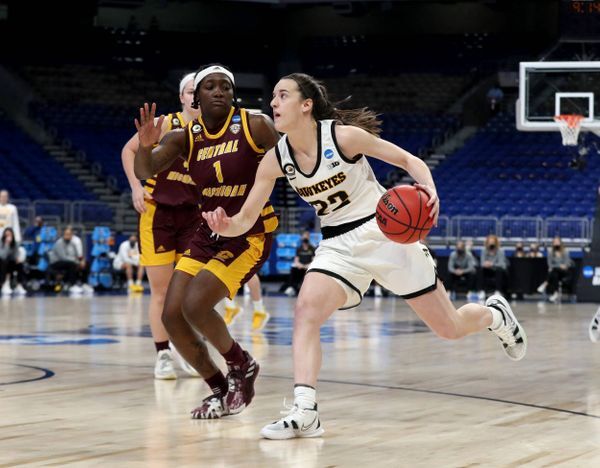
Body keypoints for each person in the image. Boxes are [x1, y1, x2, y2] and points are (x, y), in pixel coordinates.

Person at [202, 72, 528, 440]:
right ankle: (305, 410)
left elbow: (408, 160)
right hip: (337, 245)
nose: (273, 103)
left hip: (384, 232)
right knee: (306, 311)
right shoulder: (275, 160)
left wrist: (430, 191)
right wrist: (224, 224)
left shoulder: (343, 137)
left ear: (306, 105)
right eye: (273, 97)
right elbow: (244, 220)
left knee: (449, 328)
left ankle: (493, 314)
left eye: (283, 95)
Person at [133, 64, 280, 419]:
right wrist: (145, 145)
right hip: (208, 232)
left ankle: (241, 365)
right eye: (210, 87)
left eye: (225, 87)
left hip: (249, 233)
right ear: (196, 97)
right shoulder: (186, 135)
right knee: (172, 315)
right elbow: (145, 170)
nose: (219, 92)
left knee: (196, 305)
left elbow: (294, 159)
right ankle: (218, 387)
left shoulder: (254, 124)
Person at [122, 72, 201, 379]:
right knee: (162, 291)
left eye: (202, 91)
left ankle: (185, 350)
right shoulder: (166, 124)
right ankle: (163, 354)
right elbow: (129, 150)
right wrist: (136, 187)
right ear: (182, 96)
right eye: (191, 91)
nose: (196, 96)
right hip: (159, 214)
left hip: (192, 215)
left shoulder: (214, 132)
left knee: (187, 291)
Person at [477, 234, 509, 299]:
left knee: (499, 270)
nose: (491, 244)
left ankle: (498, 291)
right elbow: (482, 263)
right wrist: (485, 264)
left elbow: (502, 264)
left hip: (497, 270)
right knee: (480, 270)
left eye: (493, 242)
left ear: (496, 243)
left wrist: (492, 264)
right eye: (490, 242)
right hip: (487, 270)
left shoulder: (500, 251)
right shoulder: (484, 251)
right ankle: (481, 291)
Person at [546, 236, 575, 303]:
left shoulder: (565, 251)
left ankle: (546, 283)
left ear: (560, 243)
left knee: (553, 271)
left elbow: (567, 263)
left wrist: (563, 266)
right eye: (555, 242)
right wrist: (559, 265)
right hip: (556, 271)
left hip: (564, 272)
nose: (556, 243)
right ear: (553, 243)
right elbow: (550, 264)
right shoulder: (550, 252)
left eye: (557, 242)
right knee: (554, 274)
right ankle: (556, 293)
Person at [285, 231, 316, 296]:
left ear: (309, 238)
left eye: (306, 237)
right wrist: (300, 265)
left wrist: (307, 265)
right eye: (304, 237)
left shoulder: (312, 248)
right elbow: (296, 260)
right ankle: (291, 287)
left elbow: (313, 260)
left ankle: (307, 289)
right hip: (300, 266)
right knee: (293, 268)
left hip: (308, 266)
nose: (305, 239)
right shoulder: (299, 248)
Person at [0, 227, 26, 296]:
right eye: (7, 235)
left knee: (20, 264)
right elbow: (3, 255)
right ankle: (5, 284)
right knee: (4, 262)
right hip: (2, 261)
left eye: (9, 235)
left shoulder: (16, 243)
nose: (8, 236)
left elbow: (15, 255)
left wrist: (17, 259)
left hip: (11, 261)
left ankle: (19, 285)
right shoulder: (1, 242)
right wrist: (7, 244)